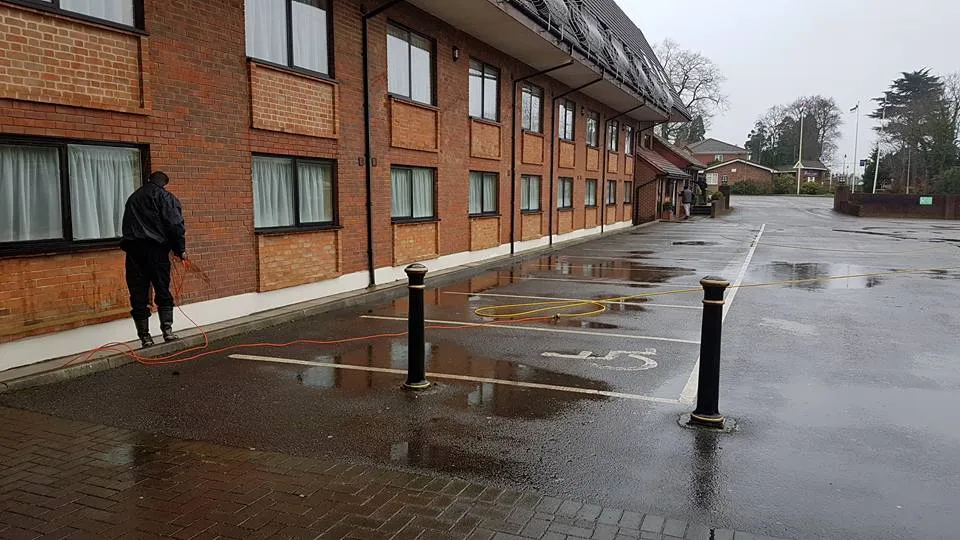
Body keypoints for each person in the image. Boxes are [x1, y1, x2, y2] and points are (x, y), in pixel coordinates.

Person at [121, 171, 186, 347]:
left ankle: (145, 337)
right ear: (164, 183)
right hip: (157, 251)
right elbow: (175, 225)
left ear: (149, 180)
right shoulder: (166, 197)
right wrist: (180, 250)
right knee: (162, 289)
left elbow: (126, 224)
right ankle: (167, 331)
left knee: (138, 292)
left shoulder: (133, 198)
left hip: (134, 252)